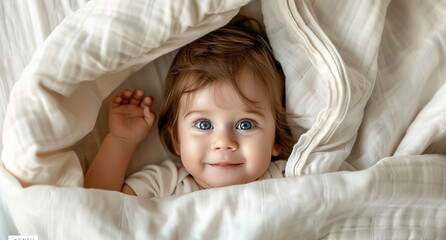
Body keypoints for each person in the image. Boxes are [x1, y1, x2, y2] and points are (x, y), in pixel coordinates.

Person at [84, 21, 295, 198]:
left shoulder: (289, 177)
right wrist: (121, 142)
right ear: (176, 138)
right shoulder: (164, 184)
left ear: (275, 139)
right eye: (204, 124)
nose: (223, 143)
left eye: (245, 124)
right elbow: (97, 206)